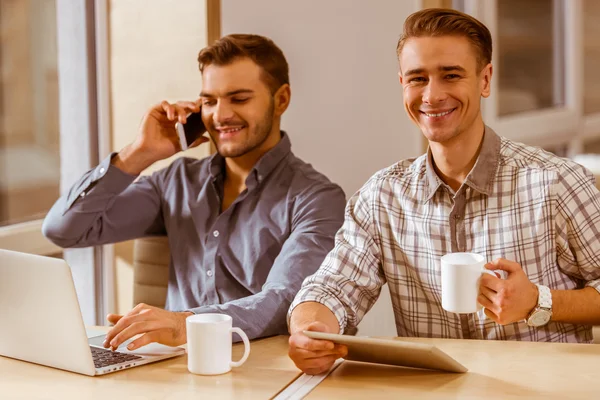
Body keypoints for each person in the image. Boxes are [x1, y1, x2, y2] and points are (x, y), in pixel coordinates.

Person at [287, 8, 600, 375]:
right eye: (418, 78)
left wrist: (539, 301)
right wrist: (310, 329)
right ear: (402, 83)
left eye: (451, 75)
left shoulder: (556, 183)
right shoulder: (382, 197)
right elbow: (333, 287)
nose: (432, 95)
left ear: (485, 80)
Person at [42, 34, 345, 351]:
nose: (220, 115)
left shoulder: (318, 198)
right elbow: (63, 229)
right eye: (209, 101)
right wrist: (138, 153)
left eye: (239, 99)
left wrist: (184, 323)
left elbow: (286, 299)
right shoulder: (176, 182)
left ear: (281, 99)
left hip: (263, 373)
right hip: (174, 369)